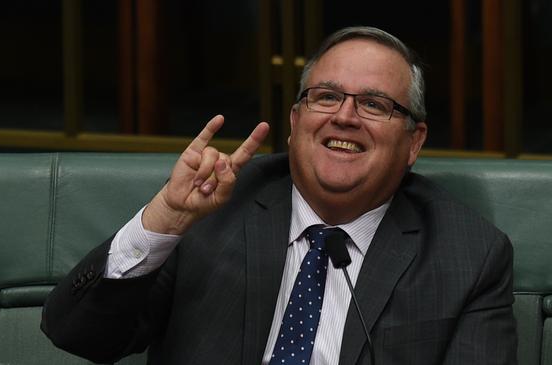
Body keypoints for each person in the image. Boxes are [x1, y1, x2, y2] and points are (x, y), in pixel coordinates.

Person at [42, 26, 517, 364]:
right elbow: (80, 336)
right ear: (295, 123)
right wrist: (164, 217)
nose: (345, 117)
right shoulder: (211, 213)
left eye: (373, 104)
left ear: (414, 141)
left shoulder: (467, 254)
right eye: (326, 96)